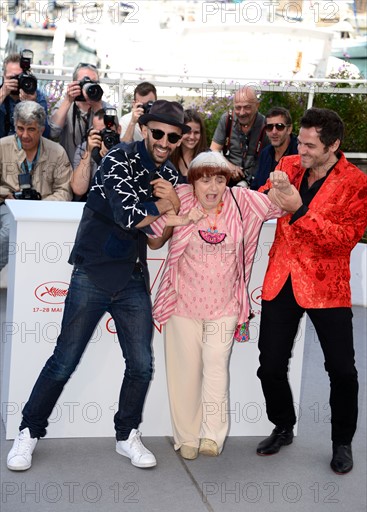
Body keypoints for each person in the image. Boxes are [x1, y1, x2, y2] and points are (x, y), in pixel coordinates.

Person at [6, 100, 189, 472]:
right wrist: (173, 208)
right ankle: (29, 431)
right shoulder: (117, 159)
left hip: (132, 277)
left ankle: (127, 435)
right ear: (145, 129)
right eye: (158, 133)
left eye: (172, 137)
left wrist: (171, 213)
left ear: (179, 139)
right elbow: (129, 216)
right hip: (92, 272)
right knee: (64, 361)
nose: (164, 141)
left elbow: (155, 240)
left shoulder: (170, 177)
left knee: (141, 365)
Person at [149, 151, 286, 460]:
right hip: (182, 302)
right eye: (205, 179)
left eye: (220, 179)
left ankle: (213, 435)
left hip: (225, 304)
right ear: (193, 182)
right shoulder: (180, 196)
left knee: (215, 366)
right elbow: (153, 235)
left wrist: (283, 182)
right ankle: (186, 437)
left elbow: (284, 205)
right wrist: (177, 211)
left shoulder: (243, 202)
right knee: (185, 372)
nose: (212, 187)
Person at [256, 107, 367, 475]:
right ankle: (283, 425)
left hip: (326, 285)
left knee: (342, 371)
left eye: (309, 144)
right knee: (269, 366)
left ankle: (341, 442)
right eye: (299, 141)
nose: (299, 149)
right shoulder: (287, 166)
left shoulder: (355, 183)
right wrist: (266, 195)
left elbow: (345, 239)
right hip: (282, 278)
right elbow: (261, 202)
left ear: (333, 145)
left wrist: (300, 210)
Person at [0, 101, 72, 271]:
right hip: (8, 206)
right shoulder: (2, 146)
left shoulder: (57, 151)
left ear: (41, 129)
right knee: (11, 227)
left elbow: (64, 189)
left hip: (45, 210)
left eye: (31, 129)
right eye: (20, 128)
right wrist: (8, 194)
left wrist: (41, 204)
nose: (24, 135)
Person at [49, 62, 113, 163]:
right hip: (67, 167)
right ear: (74, 83)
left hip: (96, 166)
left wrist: (97, 106)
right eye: (84, 82)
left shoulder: (106, 108)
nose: (89, 86)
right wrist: (68, 100)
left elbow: (110, 135)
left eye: (93, 83)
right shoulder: (65, 104)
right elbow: (53, 131)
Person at [210, 86, 269, 187]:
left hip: (255, 182)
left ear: (257, 105)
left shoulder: (266, 125)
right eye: (238, 107)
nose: (241, 113)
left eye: (247, 107)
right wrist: (229, 166)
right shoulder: (227, 119)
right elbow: (213, 149)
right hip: (228, 179)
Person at [72, 108, 121, 200]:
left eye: (107, 132)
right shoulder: (84, 148)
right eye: (100, 133)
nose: (104, 137)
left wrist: (112, 159)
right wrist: (88, 152)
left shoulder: (127, 150)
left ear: (119, 130)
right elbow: (78, 190)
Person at [0, 52, 50, 138]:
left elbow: (45, 134)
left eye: (19, 78)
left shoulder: (36, 96)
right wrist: (2, 95)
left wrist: (32, 106)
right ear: (4, 77)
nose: (15, 82)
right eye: (11, 78)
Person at [251, 107, 298, 190]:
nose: (274, 132)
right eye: (269, 127)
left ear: (289, 129)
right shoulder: (265, 153)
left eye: (279, 126)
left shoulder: (299, 153)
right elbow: (255, 186)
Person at [170, 109, 208, 183]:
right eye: (188, 132)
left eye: (196, 132)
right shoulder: (169, 155)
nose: (192, 137)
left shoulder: (208, 157)